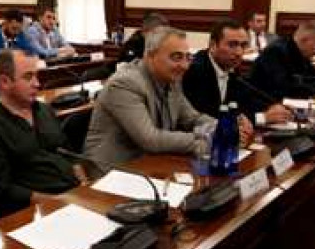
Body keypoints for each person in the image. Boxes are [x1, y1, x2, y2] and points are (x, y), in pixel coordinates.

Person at [84, 27, 248, 162]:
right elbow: (150, 139)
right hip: (113, 171)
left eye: (187, 57)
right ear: (150, 56)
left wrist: (226, 128)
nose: (184, 66)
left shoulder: (172, 80)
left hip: (154, 162)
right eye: (176, 57)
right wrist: (208, 141)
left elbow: (193, 118)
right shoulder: (125, 83)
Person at [0, 49, 87, 213]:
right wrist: (56, 202)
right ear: (4, 82)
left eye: (36, 76)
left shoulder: (45, 110)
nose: (37, 84)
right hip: (37, 210)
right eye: (28, 77)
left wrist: (83, 181)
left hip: (75, 195)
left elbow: (67, 152)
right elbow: (1, 189)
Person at [182, 19, 292, 124]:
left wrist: (272, 107)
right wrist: (262, 117)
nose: (239, 52)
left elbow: (245, 101)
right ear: (213, 45)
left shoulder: (230, 69)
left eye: (243, 45)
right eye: (232, 45)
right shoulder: (195, 70)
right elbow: (210, 116)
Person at [248, 20, 315, 100]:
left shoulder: (301, 54)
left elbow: (313, 81)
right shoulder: (276, 52)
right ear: (304, 39)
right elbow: (284, 89)